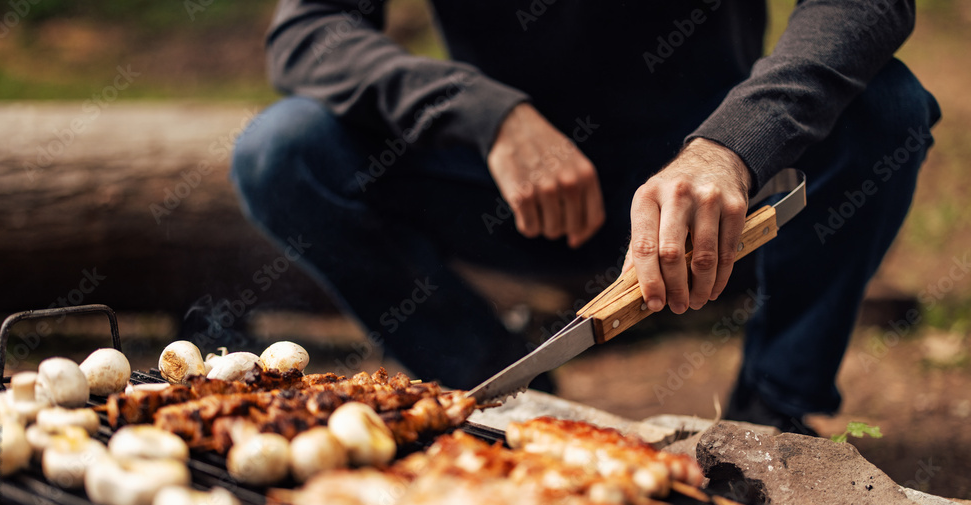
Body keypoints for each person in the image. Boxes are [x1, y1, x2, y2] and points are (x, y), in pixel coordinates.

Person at [231, 0, 940, 434]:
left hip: (716, 205)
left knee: (889, 107)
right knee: (282, 150)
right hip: (513, 196)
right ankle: (504, 393)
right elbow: (308, 32)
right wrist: (480, 112)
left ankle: (773, 410)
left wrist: (731, 147)